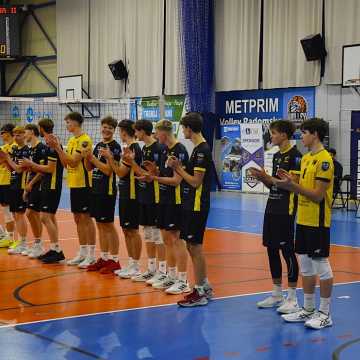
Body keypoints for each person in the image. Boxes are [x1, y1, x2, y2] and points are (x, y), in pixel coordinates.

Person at [274, 118, 334, 330]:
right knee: (306, 266)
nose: (301, 136)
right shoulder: (306, 158)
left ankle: (325, 313)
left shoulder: (325, 160)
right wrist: (284, 181)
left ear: (315, 134)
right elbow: (297, 187)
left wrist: (293, 186)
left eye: (305, 132)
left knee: (321, 266)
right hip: (303, 219)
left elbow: (318, 195)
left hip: (317, 221)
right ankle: (308, 308)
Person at [250, 120, 301, 314]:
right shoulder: (277, 155)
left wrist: (269, 179)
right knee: (271, 249)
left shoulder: (296, 156)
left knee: (286, 251)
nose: (271, 137)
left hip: (285, 211)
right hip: (271, 207)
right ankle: (277, 293)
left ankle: (292, 297)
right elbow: (274, 185)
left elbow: (290, 185)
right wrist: (263, 178)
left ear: (284, 135)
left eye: (274, 133)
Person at [167, 112, 213, 307]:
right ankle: (204, 286)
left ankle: (201, 290)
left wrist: (178, 168)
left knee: (195, 246)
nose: (182, 131)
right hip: (190, 204)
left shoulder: (202, 150)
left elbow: (195, 182)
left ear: (189, 129)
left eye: (184, 128)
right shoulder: (196, 149)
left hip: (197, 204)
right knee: (190, 245)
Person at [141, 119, 190, 294]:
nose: (154, 135)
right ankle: (170, 275)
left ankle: (183, 280)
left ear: (165, 132)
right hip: (163, 199)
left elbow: (177, 181)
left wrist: (155, 178)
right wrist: (154, 172)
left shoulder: (179, 150)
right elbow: (164, 174)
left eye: (157, 132)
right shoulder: (164, 151)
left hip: (175, 201)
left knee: (177, 240)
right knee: (166, 239)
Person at [46, 112, 96, 268]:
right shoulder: (72, 140)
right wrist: (59, 149)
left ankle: (91, 254)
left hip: (84, 185)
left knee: (86, 219)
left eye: (68, 122)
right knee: (77, 219)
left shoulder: (85, 140)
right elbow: (66, 164)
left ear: (75, 123)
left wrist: (58, 148)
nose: (66, 125)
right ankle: (82, 252)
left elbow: (73, 162)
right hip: (74, 184)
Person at [122, 120, 166, 284]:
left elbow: (157, 175)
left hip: (156, 197)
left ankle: (162, 270)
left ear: (142, 131)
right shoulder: (145, 148)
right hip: (144, 196)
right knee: (147, 233)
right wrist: (131, 161)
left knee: (157, 235)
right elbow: (142, 173)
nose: (135, 135)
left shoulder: (159, 148)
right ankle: (151, 269)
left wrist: (151, 173)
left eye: (136, 132)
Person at [20, 118, 65, 263]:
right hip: (48, 184)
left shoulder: (51, 144)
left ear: (40, 128)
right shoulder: (51, 142)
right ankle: (55, 249)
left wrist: (30, 164)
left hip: (51, 184)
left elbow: (50, 169)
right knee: (49, 217)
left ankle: (56, 249)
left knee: (45, 217)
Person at [102, 119, 143, 279]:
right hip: (125, 193)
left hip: (132, 194)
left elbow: (120, 173)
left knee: (132, 230)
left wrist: (110, 158)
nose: (120, 134)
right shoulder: (129, 147)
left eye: (120, 131)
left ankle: (136, 265)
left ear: (124, 132)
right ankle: (131, 263)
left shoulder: (133, 148)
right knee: (127, 230)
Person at [84, 116, 122, 274]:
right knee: (100, 224)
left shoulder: (115, 147)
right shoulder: (98, 145)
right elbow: (89, 168)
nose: (106, 130)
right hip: (96, 189)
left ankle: (114, 260)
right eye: (104, 127)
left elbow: (108, 170)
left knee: (108, 225)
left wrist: (93, 158)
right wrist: (87, 156)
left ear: (114, 131)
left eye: (110, 128)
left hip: (107, 191)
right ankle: (104, 257)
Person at [0, 126, 31, 255]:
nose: (16, 136)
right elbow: (11, 167)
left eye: (19, 134)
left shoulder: (25, 150)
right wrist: (5, 160)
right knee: (14, 214)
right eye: (15, 134)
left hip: (19, 185)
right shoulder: (14, 149)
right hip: (12, 184)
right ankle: (15, 240)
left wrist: (6, 158)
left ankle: (22, 242)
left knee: (19, 214)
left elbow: (19, 169)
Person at [21, 124, 48, 258]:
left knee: (31, 213)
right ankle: (38, 243)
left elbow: (42, 170)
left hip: (39, 185)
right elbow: (30, 170)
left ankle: (39, 244)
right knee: (32, 214)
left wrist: (30, 184)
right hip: (31, 184)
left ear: (32, 132)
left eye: (25, 132)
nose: (24, 135)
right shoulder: (31, 149)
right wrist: (26, 186)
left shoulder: (41, 148)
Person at [0, 123, 16, 248]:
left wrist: (5, 159)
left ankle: (10, 237)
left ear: (10, 133)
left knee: (10, 210)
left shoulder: (15, 147)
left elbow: (11, 164)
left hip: (10, 182)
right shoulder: (4, 147)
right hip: (1, 181)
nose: (1, 134)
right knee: (6, 209)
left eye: (3, 132)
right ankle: (6, 235)